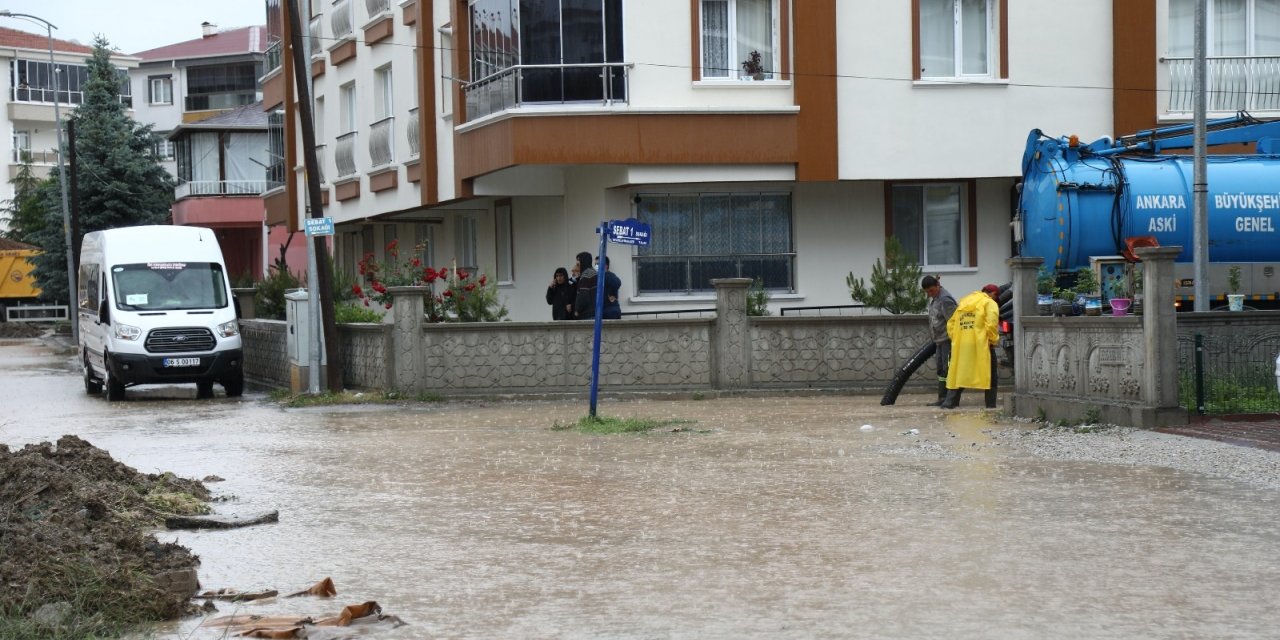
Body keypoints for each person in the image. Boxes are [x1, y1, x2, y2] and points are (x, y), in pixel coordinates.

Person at [941, 284, 1001, 409]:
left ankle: (950, 403)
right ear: (993, 294)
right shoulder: (989, 303)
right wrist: (993, 340)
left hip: (962, 345)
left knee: (959, 372)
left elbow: (950, 324)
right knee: (990, 375)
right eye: (996, 297)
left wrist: (958, 338)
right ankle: (990, 407)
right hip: (981, 344)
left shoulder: (964, 302)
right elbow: (991, 324)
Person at [921, 275, 957, 406]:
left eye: (931, 290)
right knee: (941, 369)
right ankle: (942, 398)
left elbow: (953, 322)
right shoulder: (936, 298)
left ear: (938, 285)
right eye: (927, 292)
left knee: (948, 369)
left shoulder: (945, 299)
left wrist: (954, 341)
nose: (930, 294)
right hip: (939, 341)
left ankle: (950, 399)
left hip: (948, 340)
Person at [572, 252, 598, 320]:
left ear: (584, 261)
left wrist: (577, 310)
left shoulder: (586, 274)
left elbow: (583, 295)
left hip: (588, 313)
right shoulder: (593, 272)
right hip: (595, 312)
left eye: (578, 260)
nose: (577, 263)